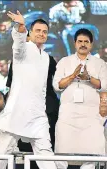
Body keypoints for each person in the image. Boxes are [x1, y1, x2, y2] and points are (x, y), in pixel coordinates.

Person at [0, 11, 57, 169]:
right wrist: (20, 26)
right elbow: (18, 43)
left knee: (46, 155)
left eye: (45, 31)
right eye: (38, 30)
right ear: (31, 33)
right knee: (2, 156)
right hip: (17, 113)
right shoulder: (24, 49)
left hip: (38, 116)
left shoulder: (47, 58)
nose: (41, 34)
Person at [53, 28, 107, 169]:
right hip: (68, 116)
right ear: (75, 43)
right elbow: (57, 85)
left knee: (92, 154)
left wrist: (88, 78)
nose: (83, 44)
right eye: (80, 41)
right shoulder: (65, 62)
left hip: (91, 117)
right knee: (62, 154)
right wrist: (72, 76)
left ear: (91, 44)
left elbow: (104, 85)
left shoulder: (100, 64)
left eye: (86, 42)